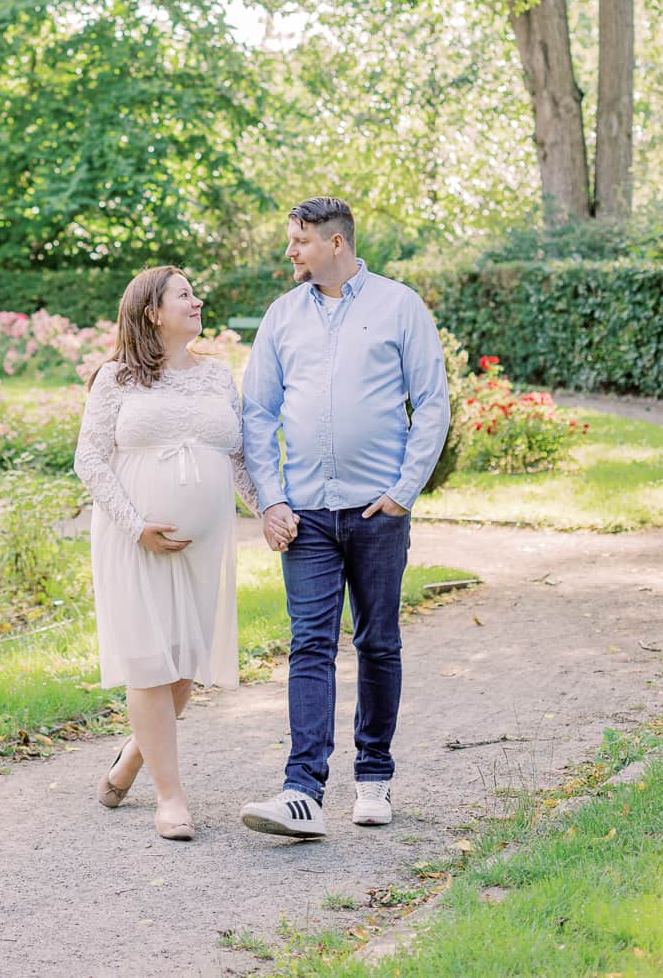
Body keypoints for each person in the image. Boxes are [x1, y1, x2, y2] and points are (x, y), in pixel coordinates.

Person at [239, 197, 449, 840]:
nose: (290, 252)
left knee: (378, 641)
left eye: (299, 241)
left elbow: (432, 402)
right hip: (305, 516)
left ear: (336, 244)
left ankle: (375, 777)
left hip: (376, 512)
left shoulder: (399, 305)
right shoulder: (282, 317)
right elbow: (256, 414)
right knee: (308, 644)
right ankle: (302, 791)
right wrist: (271, 500)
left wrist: (403, 491)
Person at [74, 265, 259, 842]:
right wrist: (136, 526)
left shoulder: (218, 376)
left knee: (185, 663)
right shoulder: (117, 379)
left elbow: (240, 459)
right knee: (151, 664)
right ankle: (170, 798)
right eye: (185, 295)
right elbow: (90, 460)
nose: (197, 301)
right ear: (153, 311)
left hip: (204, 546)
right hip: (136, 542)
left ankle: (133, 756)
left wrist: (269, 511)